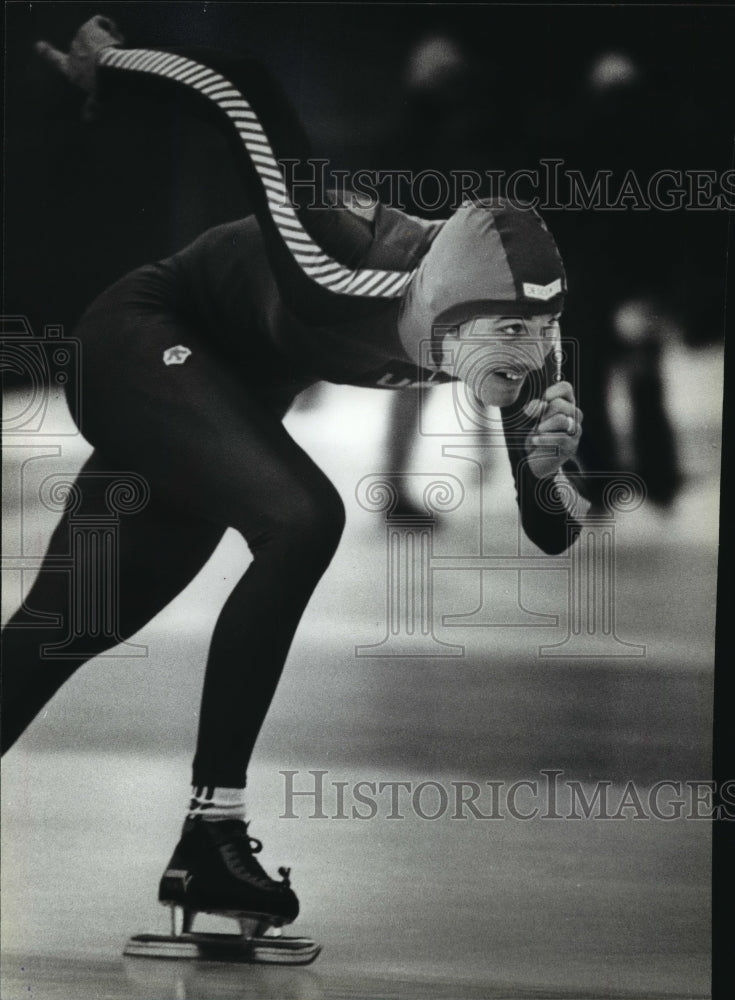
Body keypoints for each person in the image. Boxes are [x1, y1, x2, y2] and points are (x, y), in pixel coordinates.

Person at [1, 16, 587, 937]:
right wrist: (110, 66)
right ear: (441, 305)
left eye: (540, 333)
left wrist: (549, 477)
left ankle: (204, 854)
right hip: (139, 340)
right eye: (508, 333)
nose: (526, 358)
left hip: (217, 399)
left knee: (68, 625)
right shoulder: (335, 254)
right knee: (304, 517)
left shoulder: (524, 346)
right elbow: (242, 91)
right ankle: (215, 828)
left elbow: (549, 531)